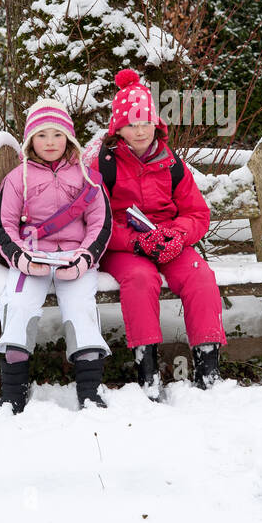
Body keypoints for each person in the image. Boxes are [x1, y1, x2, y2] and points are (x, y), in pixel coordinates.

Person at [88, 69, 226, 398]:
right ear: (118, 128)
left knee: (200, 275)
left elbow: (197, 213)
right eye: (132, 124)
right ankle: (148, 374)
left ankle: (208, 371)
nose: (140, 131)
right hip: (125, 248)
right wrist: (135, 240)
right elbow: (95, 221)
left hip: (168, 242)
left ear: (156, 125)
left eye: (146, 122)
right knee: (140, 279)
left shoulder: (171, 163)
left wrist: (176, 234)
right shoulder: (104, 165)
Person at [0, 99, 113, 413]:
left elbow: (100, 222)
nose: (50, 142)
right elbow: (3, 225)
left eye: (57, 135)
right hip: (32, 258)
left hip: (74, 259)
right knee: (18, 307)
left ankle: (89, 391)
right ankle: (13, 392)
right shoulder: (18, 178)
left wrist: (85, 258)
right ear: (31, 140)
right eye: (42, 135)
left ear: (69, 138)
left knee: (81, 310)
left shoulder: (85, 176)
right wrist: (22, 259)